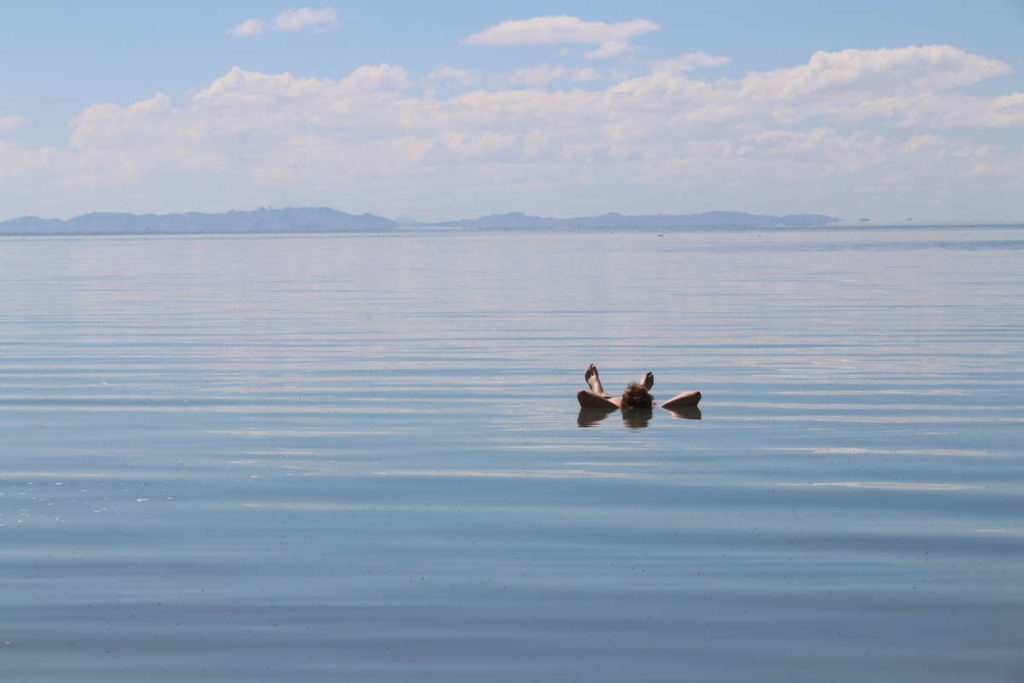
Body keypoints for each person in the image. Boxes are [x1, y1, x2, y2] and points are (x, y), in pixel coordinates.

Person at [576, 364, 701, 412]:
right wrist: (665, 406)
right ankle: (596, 385)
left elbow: (582, 395)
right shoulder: (614, 406)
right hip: (616, 402)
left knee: (601, 395)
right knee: (601, 395)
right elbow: (695, 395)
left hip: (611, 402)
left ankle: (596, 386)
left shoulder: (612, 406)